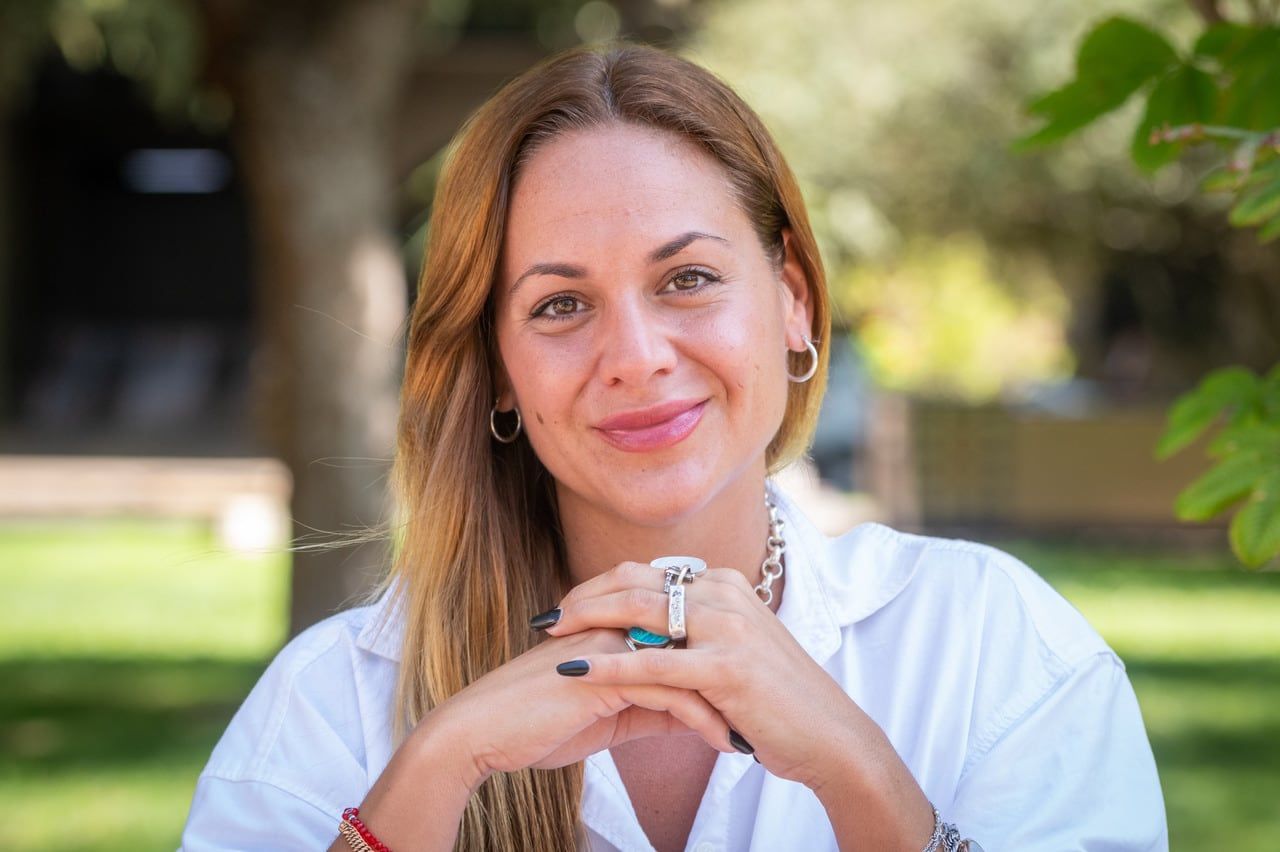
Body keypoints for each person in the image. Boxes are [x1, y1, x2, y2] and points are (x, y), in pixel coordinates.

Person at [180, 41, 1167, 852]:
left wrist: (854, 767)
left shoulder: (993, 652)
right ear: (497, 372)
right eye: (560, 305)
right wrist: (438, 768)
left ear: (791, 299)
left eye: (687, 279)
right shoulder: (333, 705)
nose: (636, 357)